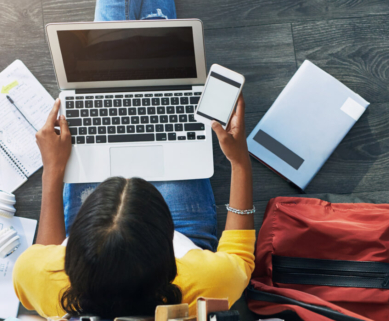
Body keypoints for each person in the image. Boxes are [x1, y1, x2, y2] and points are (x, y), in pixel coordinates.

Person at [13, 0, 256, 318]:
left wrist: (53, 170)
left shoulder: (37, 278)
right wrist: (239, 162)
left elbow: (44, 253)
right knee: (159, 59)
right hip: (186, 231)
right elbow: (240, 258)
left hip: (121, 245)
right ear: (170, 260)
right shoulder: (205, 281)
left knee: (103, 69)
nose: (132, 174)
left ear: (70, 258)